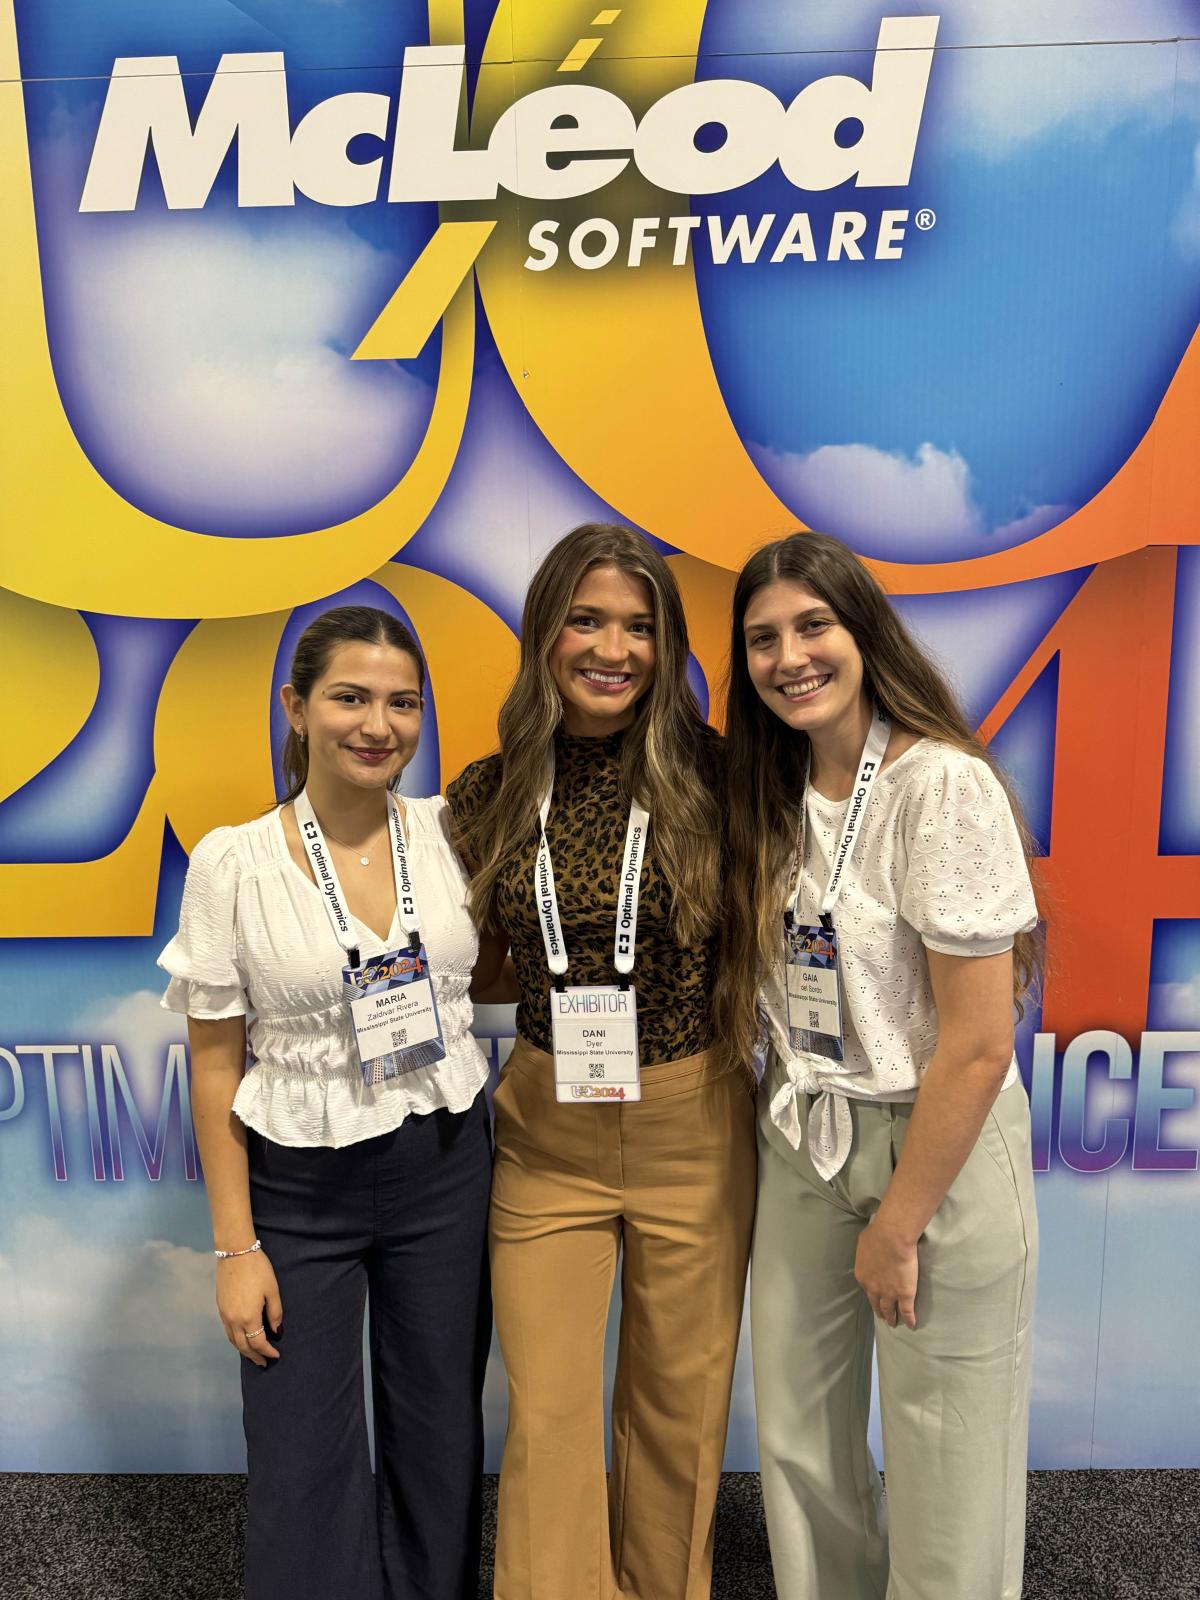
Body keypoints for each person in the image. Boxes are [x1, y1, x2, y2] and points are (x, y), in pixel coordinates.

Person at [716, 532, 1041, 1600]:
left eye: (814, 625)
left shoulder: (937, 786)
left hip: (933, 1137)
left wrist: (900, 1223)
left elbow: (982, 1042)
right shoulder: (763, 788)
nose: (789, 656)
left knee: (948, 1450)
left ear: (866, 634)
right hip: (803, 1125)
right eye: (763, 638)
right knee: (803, 1437)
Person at [159, 605, 497, 1600]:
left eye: (402, 702)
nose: (378, 724)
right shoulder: (235, 860)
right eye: (350, 697)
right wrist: (235, 1247)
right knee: (300, 1443)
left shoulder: (448, 833)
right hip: (298, 1184)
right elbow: (214, 1063)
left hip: (445, 1166)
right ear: (296, 707)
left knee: (439, 1432)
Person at [446, 523, 756, 1600]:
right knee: (554, 1410)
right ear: (546, 634)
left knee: (679, 1402)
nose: (611, 647)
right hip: (547, 1128)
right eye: (587, 619)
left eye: (638, 624)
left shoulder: (723, 776)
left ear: (667, 644)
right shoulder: (487, 789)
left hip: (694, 1121)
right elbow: (479, 962)